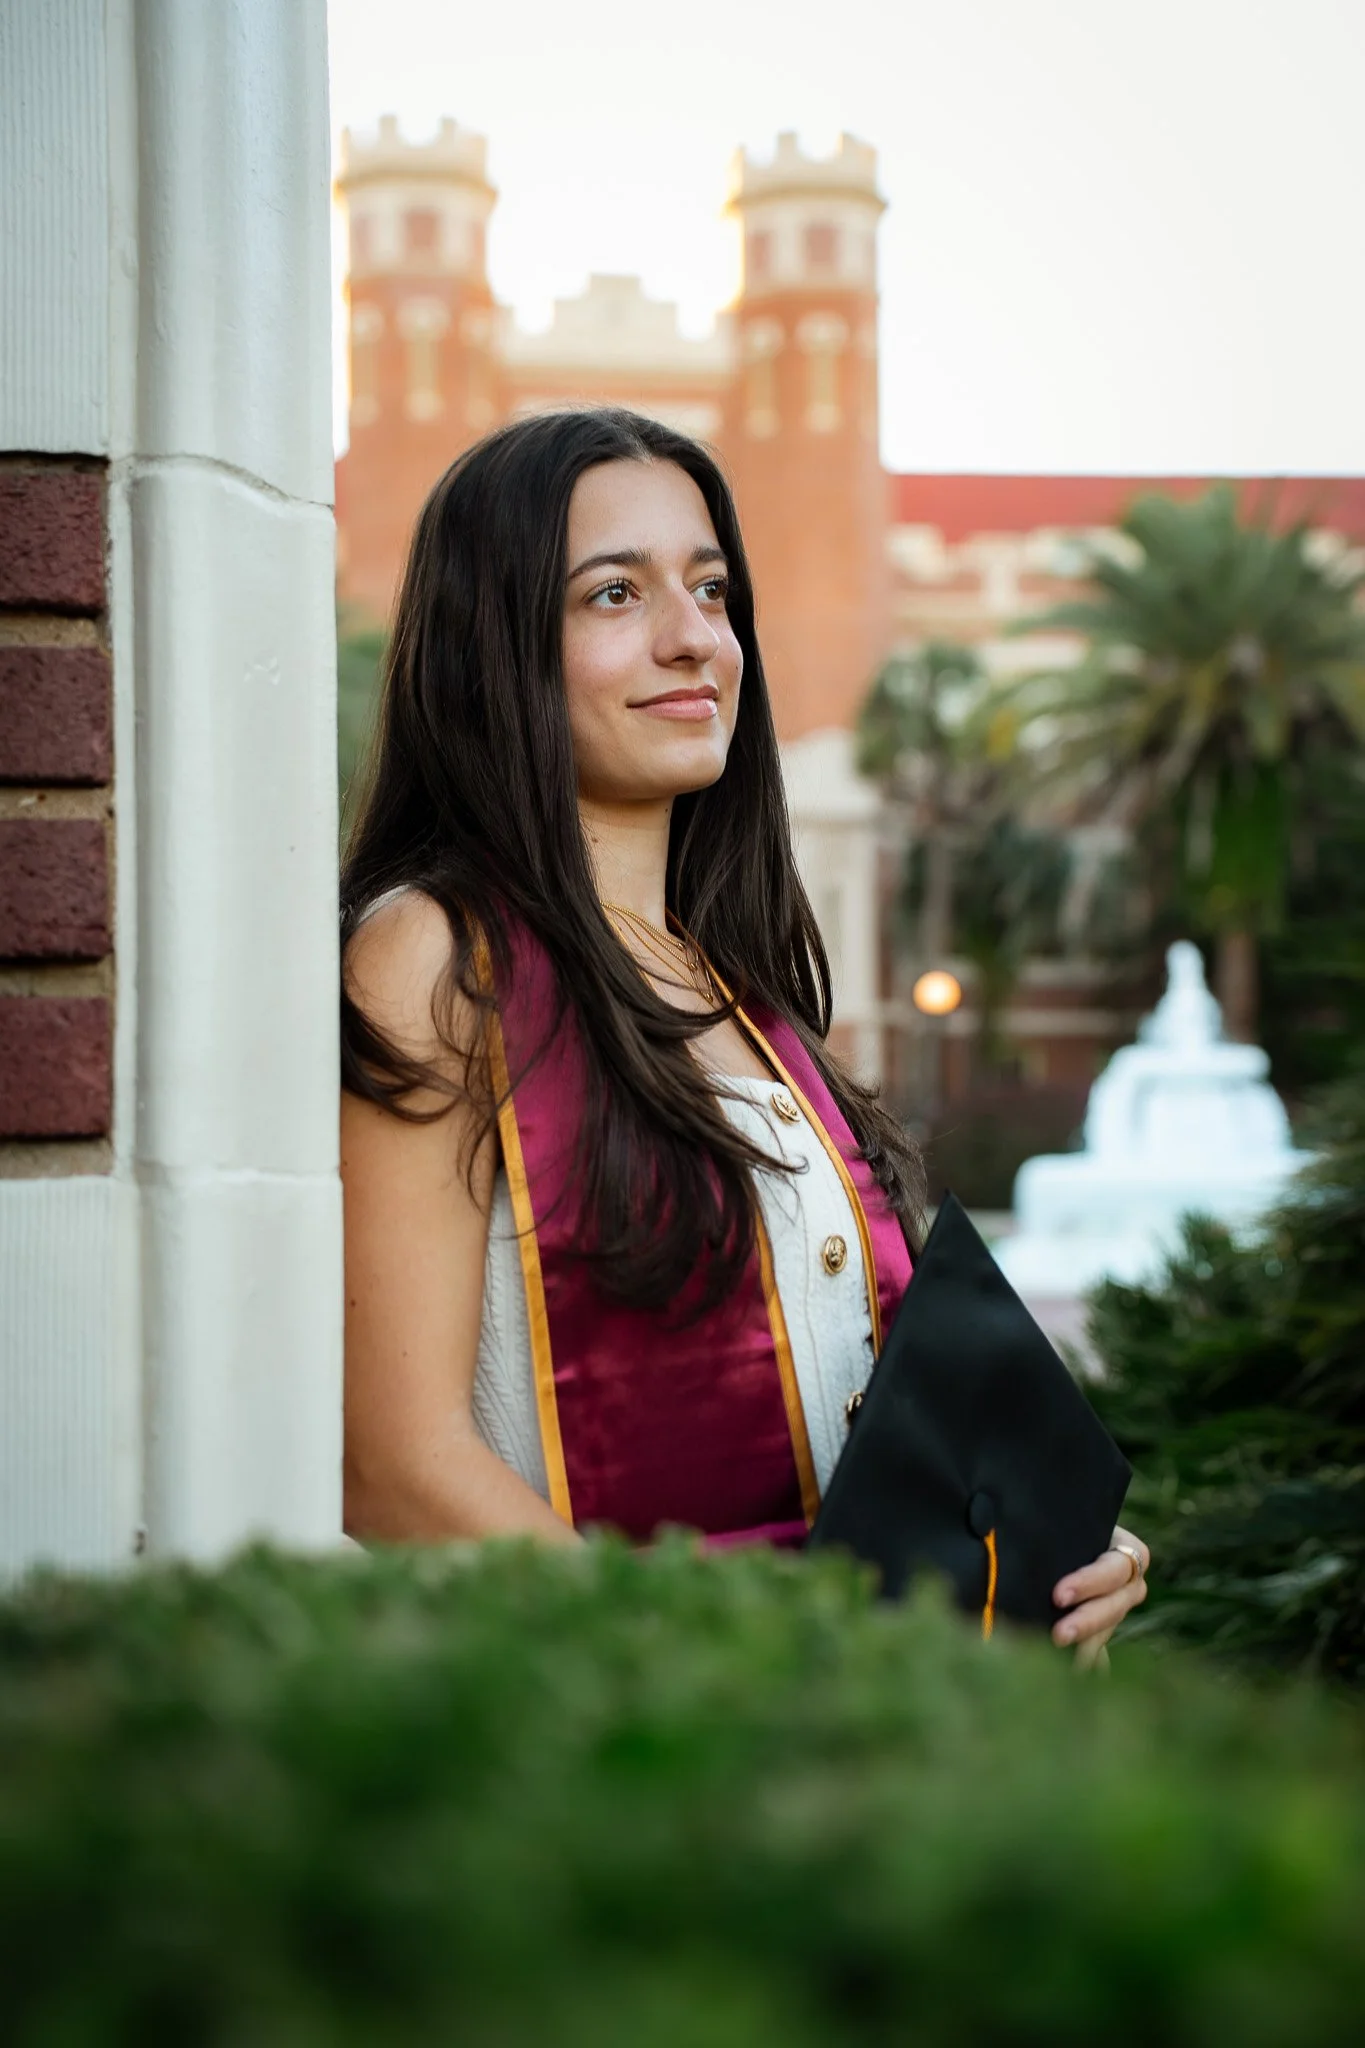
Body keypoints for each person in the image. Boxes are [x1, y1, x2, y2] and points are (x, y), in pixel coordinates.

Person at [339, 407, 1149, 1659]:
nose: (693, 638)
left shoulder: (747, 993)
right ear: (493, 646)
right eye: (615, 593)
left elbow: (878, 1409)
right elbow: (391, 1466)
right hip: (644, 1734)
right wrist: (731, 1687)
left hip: (863, 1739)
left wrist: (1044, 1546)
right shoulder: (438, 957)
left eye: (710, 588)